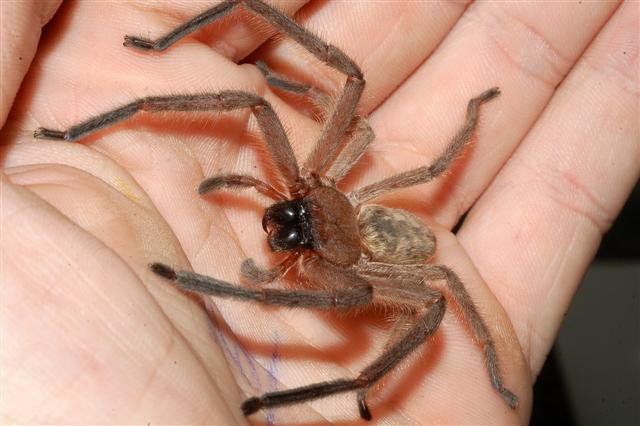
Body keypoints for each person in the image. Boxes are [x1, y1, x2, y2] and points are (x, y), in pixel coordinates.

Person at [1, 1, 637, 423]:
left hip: (373, 247)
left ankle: (352, 389)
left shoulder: (345, 274)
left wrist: (482, 370)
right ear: (302, 188)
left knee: (437, 294)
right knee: (294, 94)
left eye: (303, 225)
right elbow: (311, 95)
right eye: (298, 210)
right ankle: (104, 113)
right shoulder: (311, 176)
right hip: (334, 194)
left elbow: (436, 173)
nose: (294, 223)